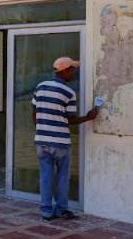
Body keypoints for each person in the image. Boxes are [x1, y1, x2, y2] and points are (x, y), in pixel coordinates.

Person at [31, 57, 98, 221]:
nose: (73, 74)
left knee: (45, 176)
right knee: (62, 176)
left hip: (42, 141)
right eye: (72, 70)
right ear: (65, 70)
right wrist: (88, 117)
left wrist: (41, 130)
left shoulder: (40, 87)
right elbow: (71, 120)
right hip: (60, 142)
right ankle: (61, 209)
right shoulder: (68, 92)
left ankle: (46, 211)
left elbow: (34, 112)